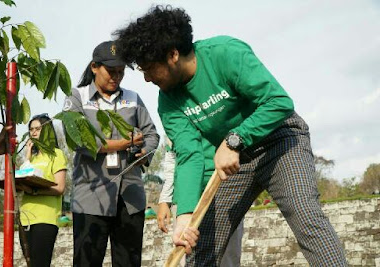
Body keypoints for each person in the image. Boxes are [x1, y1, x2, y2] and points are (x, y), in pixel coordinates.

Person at [114, 5, 348, 266]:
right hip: (235, 163)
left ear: (173, 54)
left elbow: (278, 102)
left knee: (306, 217)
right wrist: (184, 217)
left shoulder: (226, 54)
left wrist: (234, 139)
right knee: (201, 243)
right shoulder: (168, 101)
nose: (146, 78)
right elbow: (189, 155)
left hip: (280, 142)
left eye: (148, 68)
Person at [63, 40, 159, 267]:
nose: (116, 77)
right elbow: (78, 141)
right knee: (86, 261)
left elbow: (152, 135)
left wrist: (144, 152)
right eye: (110, 71)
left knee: (129, 262)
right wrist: (124, 143)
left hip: (130, 197)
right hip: (91, 196)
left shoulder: (133, 99)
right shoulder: (77, 97)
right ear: (94, 67)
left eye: (120, 72)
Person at [157, 139, 243, 267]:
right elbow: (172, 158)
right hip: (185, 198)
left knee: (228, 254)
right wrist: (164, 200)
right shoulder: (178, 123)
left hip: (227, 188)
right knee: (187, 252)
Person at [17, 114, 68, 267]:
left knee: (40, 263)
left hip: (45, 218)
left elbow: (59, 187)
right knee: (30, 263)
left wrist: (35, 191)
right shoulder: (31, 158)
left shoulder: (56, 154)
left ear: (47, 131)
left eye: (37, 129)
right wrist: (27, 154)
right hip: (25, 219)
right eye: (31, 129)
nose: (33, 132)